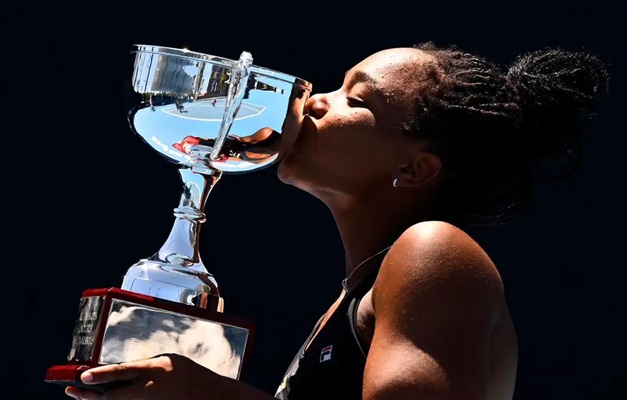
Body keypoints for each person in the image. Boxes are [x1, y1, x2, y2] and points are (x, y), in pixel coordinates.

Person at [64, 41, 609, 400]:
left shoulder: (434, 251)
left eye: (357, 98)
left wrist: (212, 395)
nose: (315, 100)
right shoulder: (357, 293)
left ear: (414, 168)